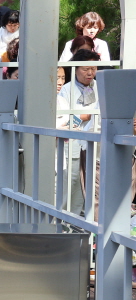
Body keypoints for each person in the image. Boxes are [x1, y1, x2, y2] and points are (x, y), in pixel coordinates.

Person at [57, 48, 101, 215]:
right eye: (85, 69)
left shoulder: (99, 86)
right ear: (76, 69)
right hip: (73, 144)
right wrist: (85, 116)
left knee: (86, 187)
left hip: (95, 144)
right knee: (71, 182)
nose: (90, 73)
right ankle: (61, 222)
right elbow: (66, 119)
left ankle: (78, 224)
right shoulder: (67, 89)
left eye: (94, 68)